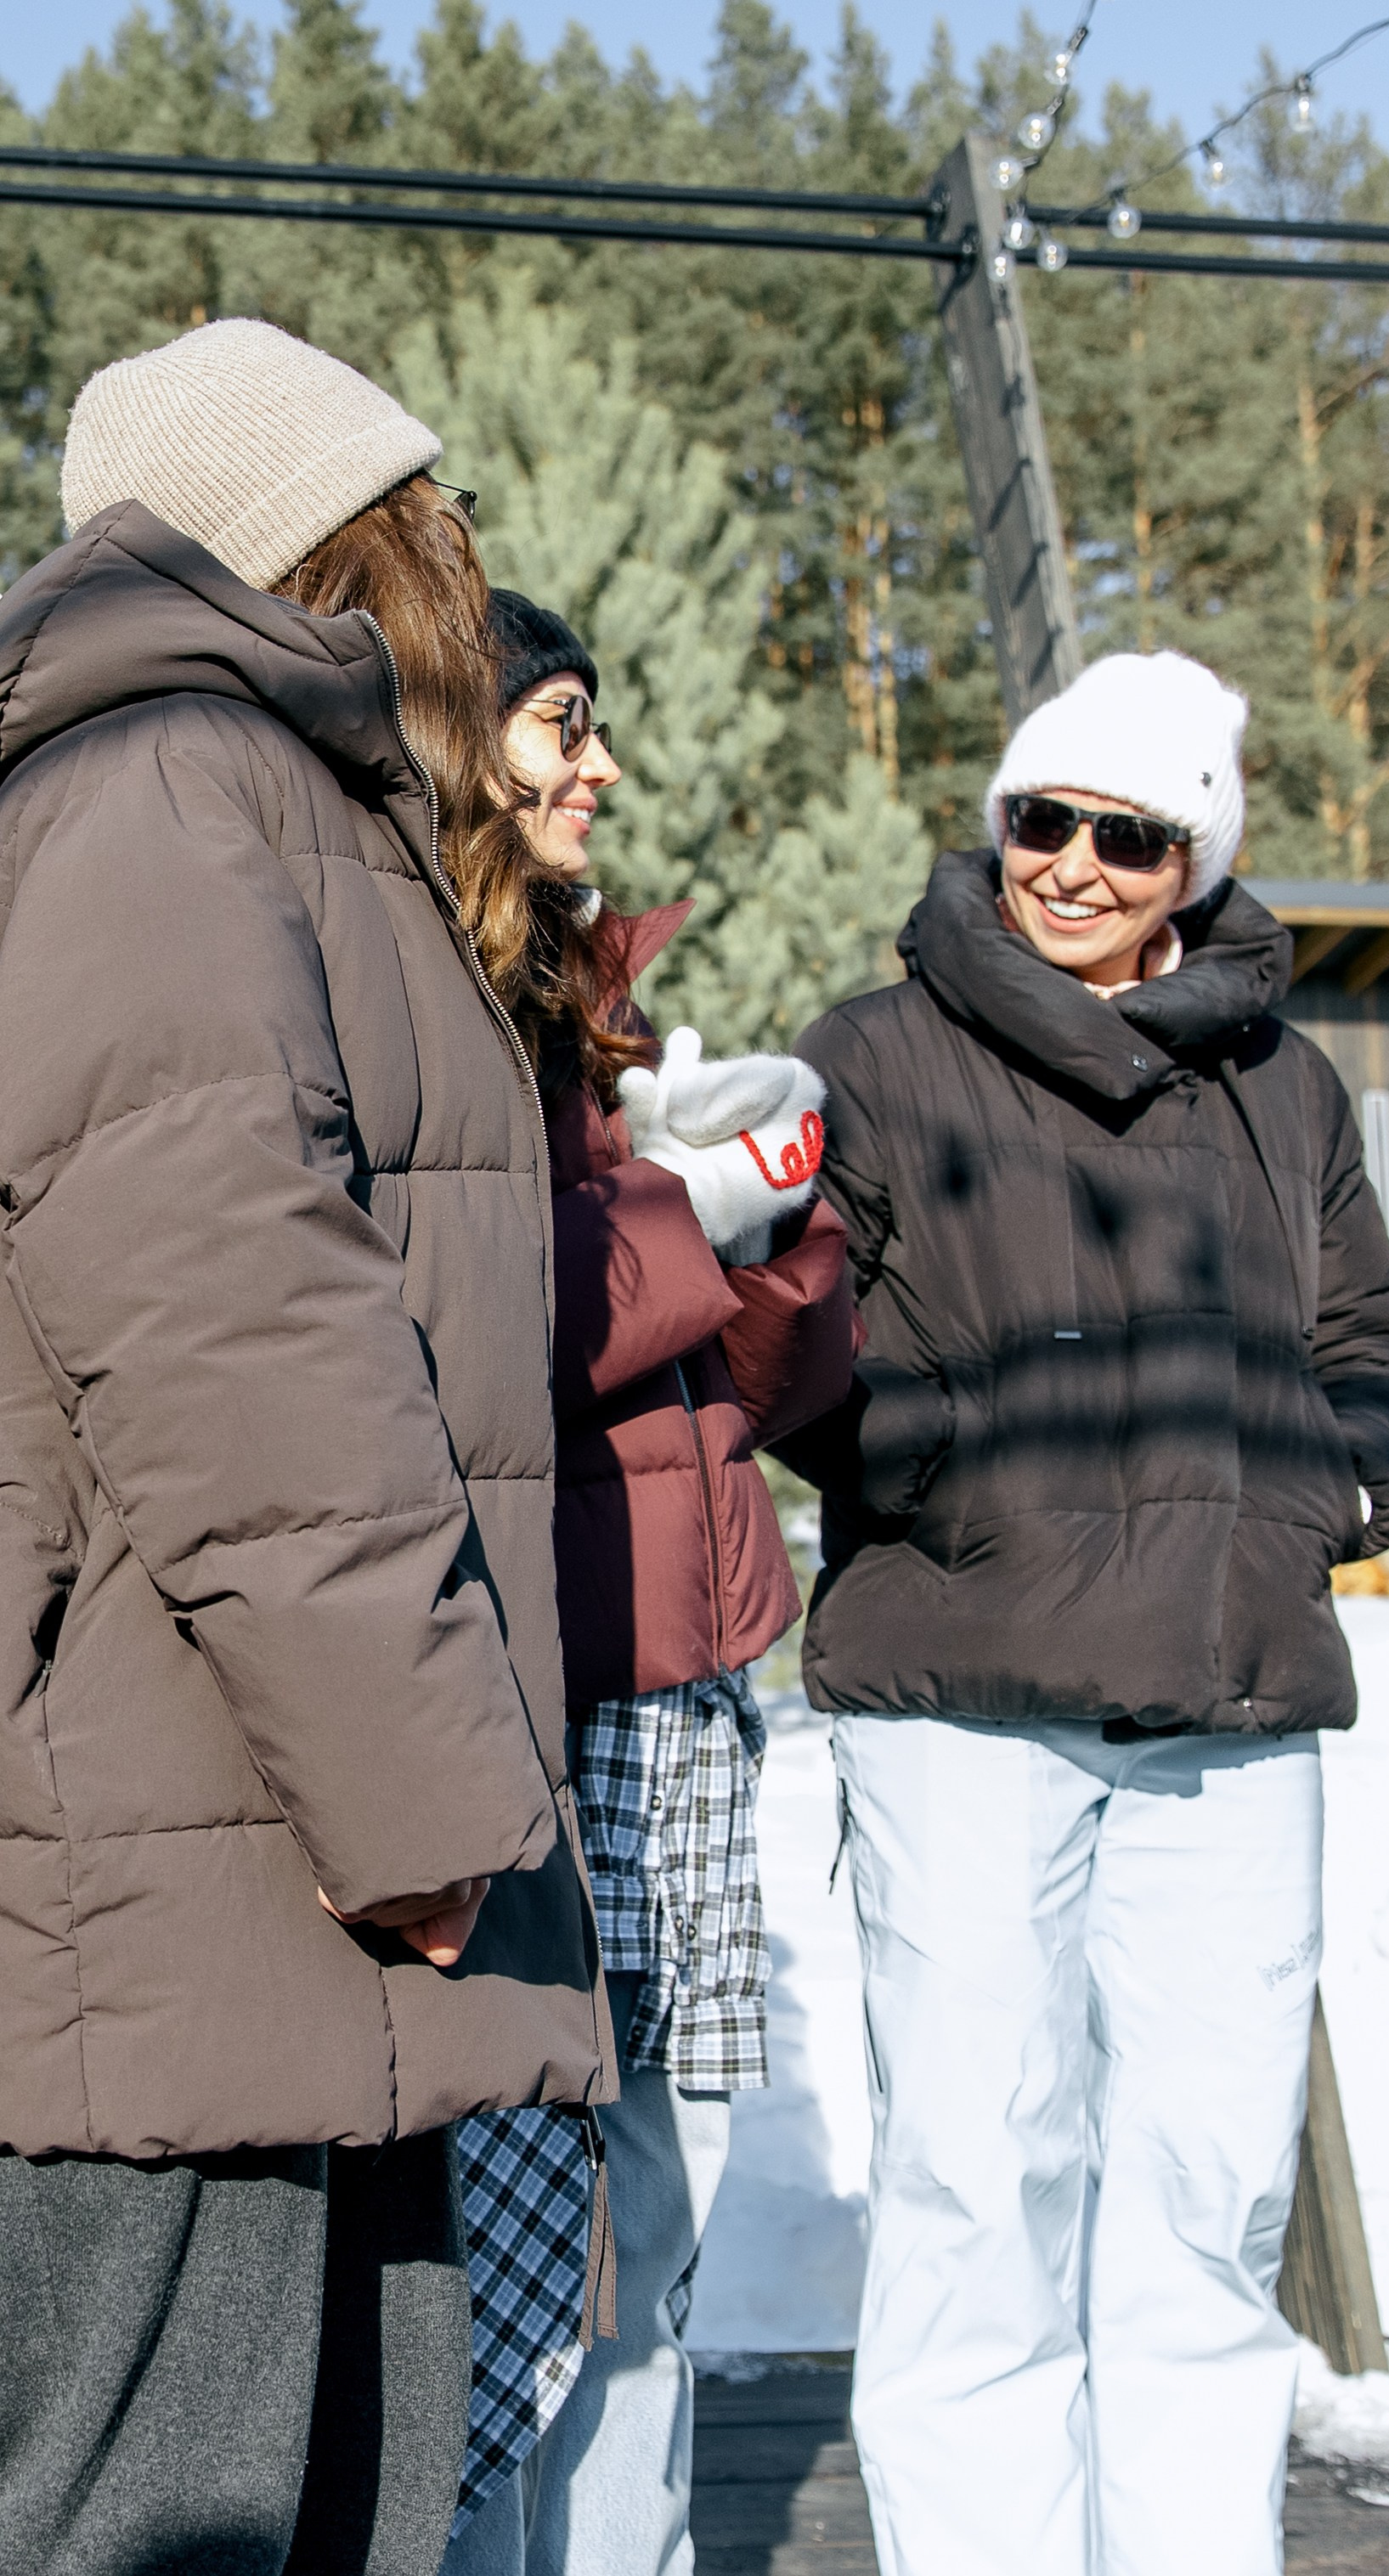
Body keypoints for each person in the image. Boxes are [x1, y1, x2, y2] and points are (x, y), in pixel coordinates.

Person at [0, 323, 615, 2576]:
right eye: (427, 512)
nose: (466, 561)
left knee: (357, 2509)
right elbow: (232, 1332)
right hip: (212, 1859)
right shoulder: (162, 791)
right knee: (155, 2526)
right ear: (325, 536)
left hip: (304, 1850)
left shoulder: (275, 801)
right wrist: (423, 1802)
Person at [785, 651, 1389, 2576]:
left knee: (1208, 2203)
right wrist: (966, 1466)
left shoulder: (1284, 1083)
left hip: (1231, 1712)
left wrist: (1329, 1495)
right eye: (1038, 818)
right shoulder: (877, 1051)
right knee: (978, 2184)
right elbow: (804, 1348)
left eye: (1124, 833)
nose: (1067, 861)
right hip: (959, 1695)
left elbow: (1367, 1334)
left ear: (1195, 863)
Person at [440, 591, 855, 2576]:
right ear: (460, 738)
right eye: (557, 722)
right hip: (540, 1682)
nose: (598, 761)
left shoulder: (589, 999)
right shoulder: (431, 991)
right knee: (519, 2232)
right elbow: (489, 1315)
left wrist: (775, 1220)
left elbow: (757, 1385)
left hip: (679, 1684)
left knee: (650, 2208)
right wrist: (677, 1213)